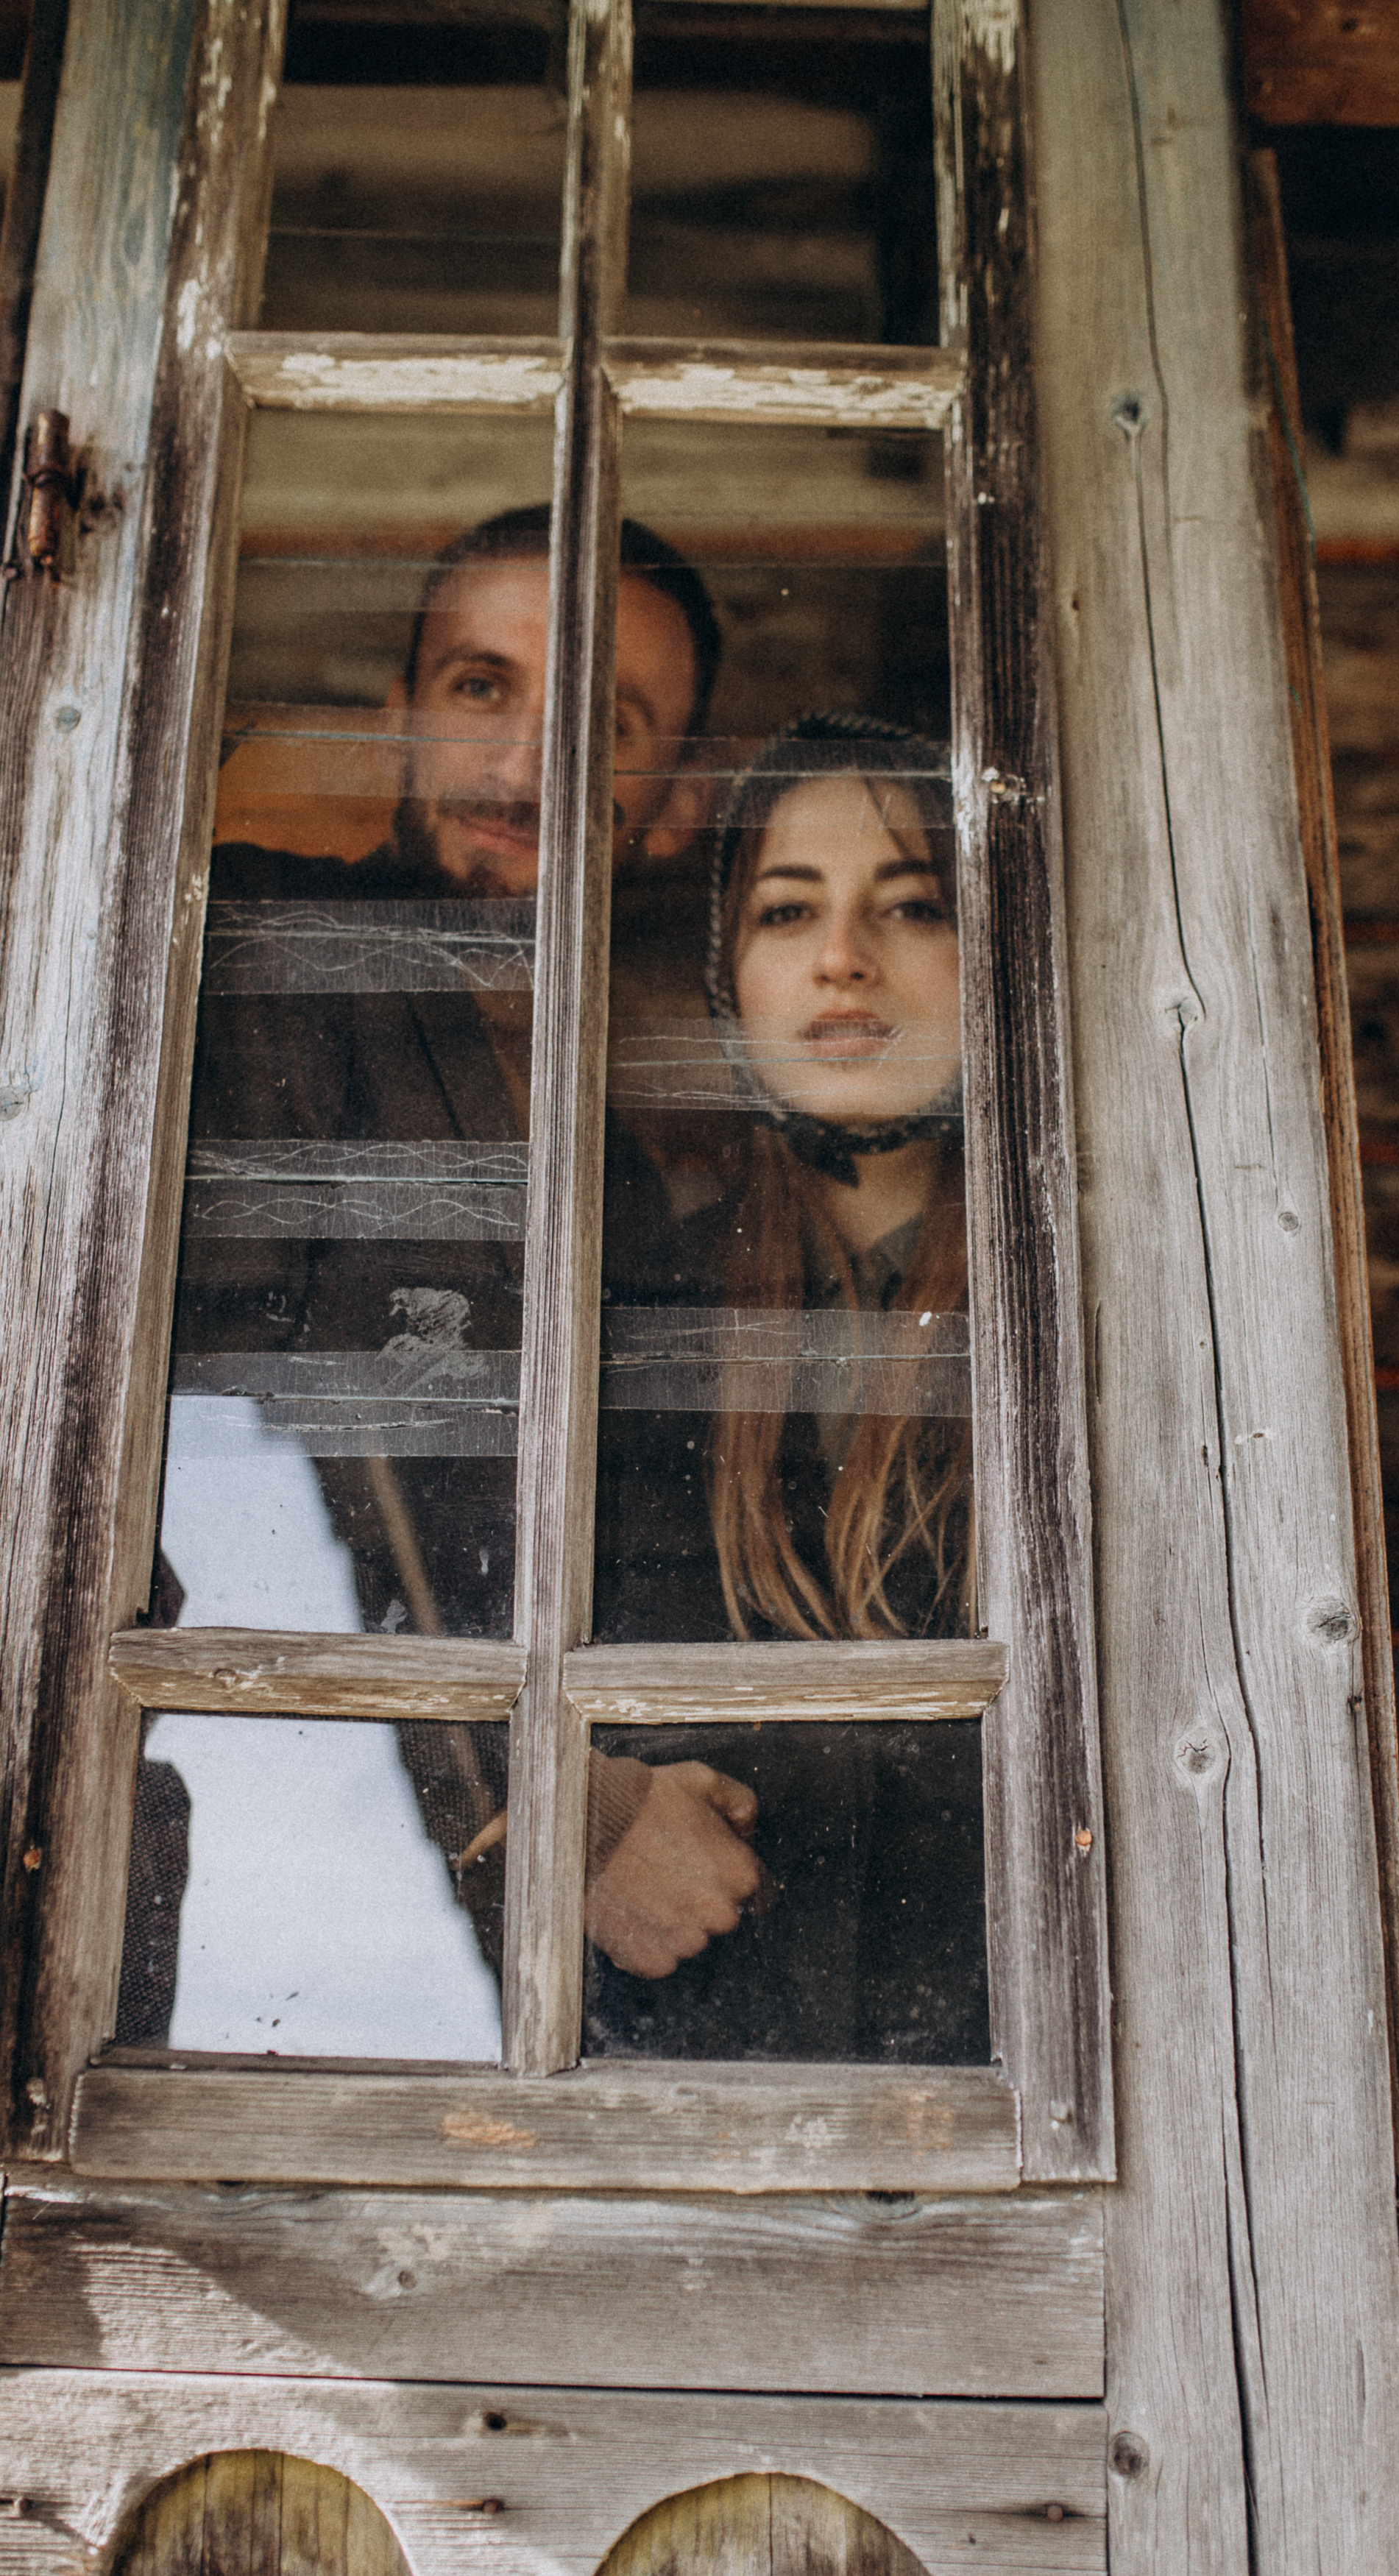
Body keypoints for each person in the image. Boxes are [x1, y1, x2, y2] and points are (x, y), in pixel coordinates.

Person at [122, 509, 765, 2043]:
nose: (530, 755)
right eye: (484, 686)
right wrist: (554, 1792)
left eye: (603, 714)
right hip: (268, 1895)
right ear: (397, 725)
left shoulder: (627, 1158)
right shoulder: (266, 963)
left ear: (670, 799)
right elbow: (210, 1465)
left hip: (511, 1967)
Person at [583, 716, 988, 2062]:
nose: (842, 959)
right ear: (730, 978)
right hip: (690, 2083)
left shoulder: (1099, 1319)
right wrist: (585, 1816)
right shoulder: (635, 1315)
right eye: (787, 910)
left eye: (912, 905)